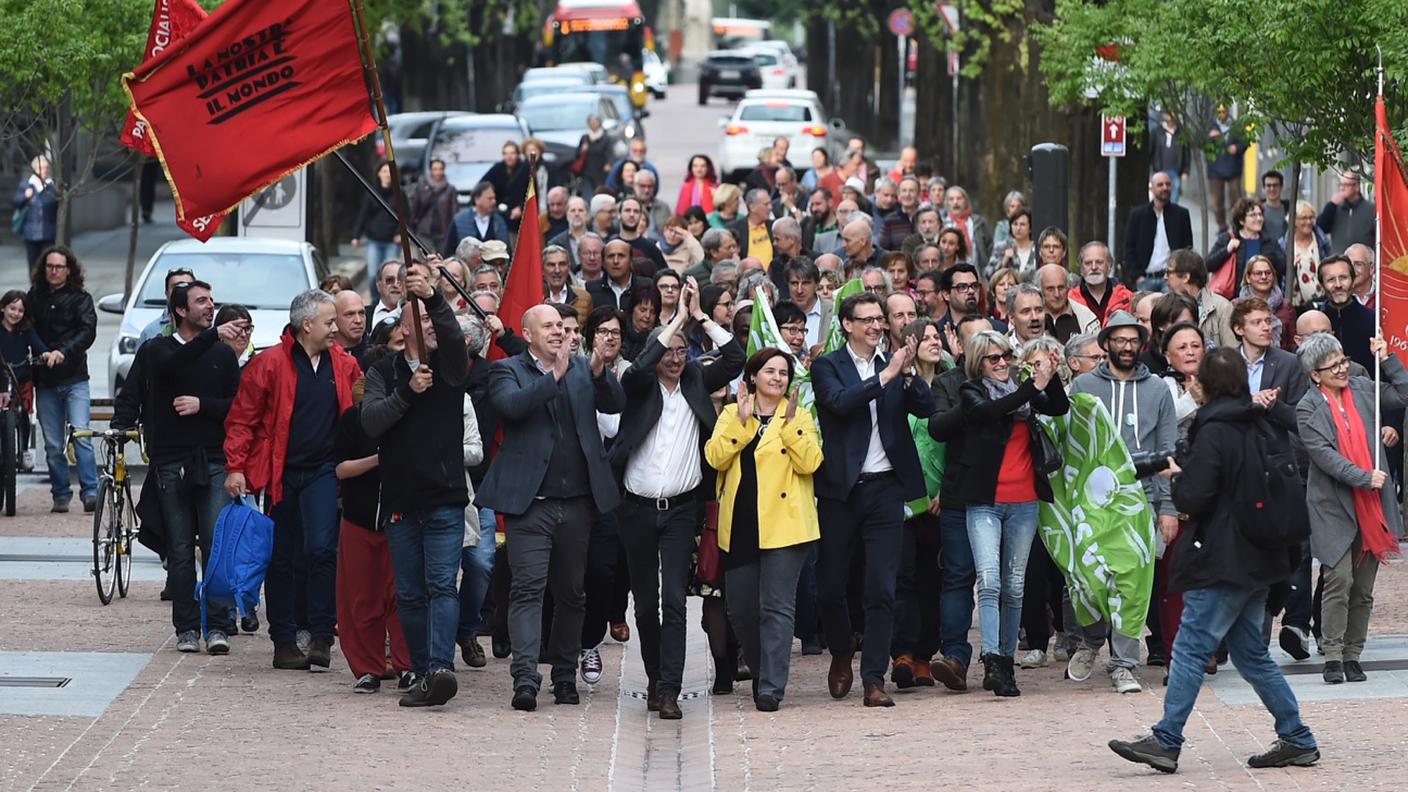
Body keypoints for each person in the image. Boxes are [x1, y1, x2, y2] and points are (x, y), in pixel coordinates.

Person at [1110, 347, 1318, 775]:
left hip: (1225, 559)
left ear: (1203, 384)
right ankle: (1297, 737)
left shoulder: (1215, 430)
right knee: (1251, 655)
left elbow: (1193, 498)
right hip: (1259, 557)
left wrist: (1176, 476)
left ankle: (1167, 740)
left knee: (1187, 648)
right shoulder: (1258, 422)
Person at [477, 304, 625, 712]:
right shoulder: (506, 370)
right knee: (527, 590)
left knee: (572, 594)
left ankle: (563, 674)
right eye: (549, 326)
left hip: (577, 502)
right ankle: (525, 676)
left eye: (562, 325)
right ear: (528, 334)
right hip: (530, 506)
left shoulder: (581, 367)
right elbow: (512, 407)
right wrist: (556, 374)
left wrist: (598, 370)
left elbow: (614, 404)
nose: (559, 331)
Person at [613, 285, 743, 717]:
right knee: (646, 604)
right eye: (668, 350)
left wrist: (700, 318)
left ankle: (669, 689)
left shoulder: (695, 379)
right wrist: (672, 325)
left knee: (673, 600)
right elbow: (637, 369)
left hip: (681, 511)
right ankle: (654, 679)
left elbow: (736, 359)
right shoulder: (637, 385)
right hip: (636, 508)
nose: (676, 356)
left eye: (683, 349)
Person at [224, 289, 362, 671]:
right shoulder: (269, 363)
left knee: (322, 550)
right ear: (307, 325)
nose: (335, 329)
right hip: (280, 472)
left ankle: (321, 635)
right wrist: (236, 467)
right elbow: (242, 419)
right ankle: (283, 640)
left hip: (323, 470)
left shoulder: (344, 365)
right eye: (329, 322)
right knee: (281, 557)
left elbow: (360, 414)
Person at [811, 292, 936, 708]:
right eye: (867, 320)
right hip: (841, 490)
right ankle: (843, 648)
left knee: (881, 588)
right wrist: (887, 376)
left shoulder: (893, 364)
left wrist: (910, 373)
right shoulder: (829, 365)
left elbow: (927, 406)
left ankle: (873, 678)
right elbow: (840, 403)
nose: (876, 327)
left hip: (886, 489)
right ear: (847, 324)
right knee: (829, 588)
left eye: (880, 320)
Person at [360, 264, 469, 706]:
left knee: (443, 584)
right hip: (402, 501)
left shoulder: (449, 364)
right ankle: (421, 671)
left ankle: (441, 667)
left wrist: (436, 298)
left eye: (431, 318)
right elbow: (371, 422)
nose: (429, 323)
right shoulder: (383, 373)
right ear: (403, 329)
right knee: (409, 592)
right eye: (420, 318)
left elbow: (458, 340)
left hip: (443, 498)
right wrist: (408, 392)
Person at [705, 348, 821, 711]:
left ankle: (771, 685)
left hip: (786, 526)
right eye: (769, 371)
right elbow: (714, 457)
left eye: (784, 373)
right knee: (740, 609)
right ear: (753, 376)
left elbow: (811, 462)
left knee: (777, 607)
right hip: (740, 524)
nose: (777, 378)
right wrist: (741, 424)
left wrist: (787, 427)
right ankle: (759, 669)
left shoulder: (799, 414)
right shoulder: (730, 413)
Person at [1069, 311, 1179, 693]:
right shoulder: (1082, 386)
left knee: (1133, 587)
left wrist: (1166, 509)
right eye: (1120, 340)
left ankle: (1123, 664)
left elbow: (1167, 453)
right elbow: (1071, 446)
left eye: (1134, 341)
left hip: (1141, 501)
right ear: (1106, 343)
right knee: (1086, 581)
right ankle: (1092, 638)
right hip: (1091, 503)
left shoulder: (1159, 390)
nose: (1128, 347)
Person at [954, 329, 1068, 696]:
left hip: (1024, 500)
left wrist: (1050, 376)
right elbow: (988, 412)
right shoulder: (972, 391)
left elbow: (1058, 406)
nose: (1002, 363)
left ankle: (1005, 661)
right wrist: (1031, 387)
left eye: (1006, 356)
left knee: (1015, 584)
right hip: (985, 500)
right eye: (993, 358)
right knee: (989, 580)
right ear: (978, 363)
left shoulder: (1025, 392)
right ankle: (993, 658)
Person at [1296, 332, 1406, 684]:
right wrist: (1362, 476)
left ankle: (1353, 654)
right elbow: (1325, 456)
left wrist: (1388, 360)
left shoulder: (1362, 387)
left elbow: (1403, 394)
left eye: (1343, 361)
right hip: (1333, 504)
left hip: (1373, 503)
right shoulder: (1307, 407)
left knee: (1363, 587)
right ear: (1316, 374)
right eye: (1333, 366)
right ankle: (1331, 654)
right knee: (1338, 579)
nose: (1343, 369)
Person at [146, 281, 242, 654]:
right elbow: (170, 368)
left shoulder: (223, 355)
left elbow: (237, 406)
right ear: (180, 311)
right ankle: (186, 627)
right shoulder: (159, 349)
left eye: (212, 300)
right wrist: (212, 336)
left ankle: (217, 624)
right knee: (181, 548)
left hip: (215, 460)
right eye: (201, 301)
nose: (210, 306)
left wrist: (204, 405)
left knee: (215, 546)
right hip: (172, 462)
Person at [333, 346, 414, 694]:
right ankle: (367, 668)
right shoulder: (353, 419)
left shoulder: (410, 413)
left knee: (402, 596)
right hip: (360, 518)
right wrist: (378, 460)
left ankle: (407, 665)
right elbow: (340, 468)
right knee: (361, 598)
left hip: (401, 516)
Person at [888, 318, 948, 689]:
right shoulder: (894, 381)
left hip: (941, 496)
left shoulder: (952, 382)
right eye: (925, 337)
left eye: (937, 336)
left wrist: (949, 488)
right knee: (902, 577)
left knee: (935, 579)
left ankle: (927, 654)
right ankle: (903, 654)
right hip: (901, 496)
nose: (933, 342)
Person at [29, 246, 98, 513]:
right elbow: (26, 329)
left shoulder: (81, 298)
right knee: (53, 443)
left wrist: (63, 351)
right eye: (49, 266)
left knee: (81, 435)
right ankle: (60, 493)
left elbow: (87, 332)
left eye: (59, 266)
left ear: (69, 269)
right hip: (45, 381)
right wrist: (44, 352)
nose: (54, 271)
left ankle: (90, 491)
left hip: (75, 378)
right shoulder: (34, 298)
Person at [1123, 171, 1193, 289]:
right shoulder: (1138, 215)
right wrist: (1136, 276)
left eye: (1168, 184)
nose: (1165, 188)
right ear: (1151, 188)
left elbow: (1187, 248)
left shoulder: (1181, 214)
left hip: (1170, 280)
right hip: (1144, 279)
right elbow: (1129, 247)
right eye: (1160, 185)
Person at [0, 290, 46, 469]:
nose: (15, 314)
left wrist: (47, 353)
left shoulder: (25, 330)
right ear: (3, 307)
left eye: (20, 310)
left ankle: (24, 449)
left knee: (24, 413)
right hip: (1, 378)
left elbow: (38, 345)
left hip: (22, 377)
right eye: (12, 308)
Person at [1206, 197, 1286, 288]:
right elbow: (1208, 265)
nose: (1259, 218)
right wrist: (1227, 250)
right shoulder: (1227, 239)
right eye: (1253, 215)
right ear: (1241, 220)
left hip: (1263, 298)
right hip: (1234, 298)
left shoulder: (1269, 242)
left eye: (1260, 214)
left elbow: (1283, 268)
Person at [350, 162, 402, 301]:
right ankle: (375, 300)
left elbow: (406, 216)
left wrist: (400, 233)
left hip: (392, 241)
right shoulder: (371, 192)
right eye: (384, 171)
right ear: (379, 174)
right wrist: (356, 235)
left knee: (391, 275)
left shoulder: (399, 193)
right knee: (373, 274)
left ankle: (390, 300)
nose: (387, 175)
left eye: (390, 172)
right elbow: (363, 215)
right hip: (374, 240)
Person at [1166, 250, 1236, 349]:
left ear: (1186, 277)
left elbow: (1232, 353)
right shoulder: (1165, 306)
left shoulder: (1222, 307)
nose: (1165, 277)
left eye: (1169, 272)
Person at [1317, 255, 1374, 370]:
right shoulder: (1316, 322)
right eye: (1331, 280)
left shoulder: (1373, 320)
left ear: (1353, 281)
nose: (1338, 285)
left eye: (1343, 278)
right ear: (1322, 286)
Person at [1236, 256, 1295, 351]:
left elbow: (1292, 343)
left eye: (1268, 273)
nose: (1264, 277)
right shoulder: (1236, 305)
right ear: (1248, 277)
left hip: (1280, 362)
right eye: (1258, 273)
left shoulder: (1286, 306)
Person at [1069, 242, 1133, 325]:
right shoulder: (1070, 300)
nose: (1094, 267)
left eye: (1099, 262)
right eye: (1088, 263)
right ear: (1081, 268)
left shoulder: (1126, 298)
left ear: (1109, 265)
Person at [1205, 105, 1247, 233]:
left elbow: (1245, 142)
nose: (1221, 114)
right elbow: (1200, 143)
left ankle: (1236, 224)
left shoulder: (1236, 126)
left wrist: (1237, 148)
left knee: (1236, 197)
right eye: (1219, 112)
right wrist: (1209, 137)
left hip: (1233, 167)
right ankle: (1221, 226)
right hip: (1215, 168)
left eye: (1224, 111)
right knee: (1217, 200)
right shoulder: (1210, 125)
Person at [12, 155, 58, 268]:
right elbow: (15, 201)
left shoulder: (52, 186)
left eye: (47, 167)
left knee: (47, 265)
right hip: (31, 233)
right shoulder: (27, 184)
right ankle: (35, 285)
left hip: (48, 233)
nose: (45, 170)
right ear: (35, 169)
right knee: (33, 265)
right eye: (42, 168)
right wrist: (25, 196)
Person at [444, 181, 511, 258]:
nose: (494, 201)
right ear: (477, 199)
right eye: (490, 198)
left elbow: (507, 250)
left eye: (494, 198)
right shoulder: (459, 220)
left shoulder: (499, 221)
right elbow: (449, 251)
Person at [1285, 200, 1331, 310]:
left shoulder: (1322, 240)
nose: (1309, 221)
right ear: (1294, 220)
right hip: (1295, 304)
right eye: (1304, 218)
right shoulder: (1285, 243)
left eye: (1311, 217)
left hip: (1320, 301)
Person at [1316, 171, 1375, 254]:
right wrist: (1331, 205)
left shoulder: (1370, 209)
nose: (1342, 188)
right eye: (1340, 185)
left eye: (1346, 185)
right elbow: (1320, 228)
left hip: (1361, 261)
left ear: (1357, 187)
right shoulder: (1335, 208)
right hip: (1339, 261)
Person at [1039, 264, 1099, 343]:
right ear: (1041, 290)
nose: (1057, 294)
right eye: (1050, 289)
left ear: (1068, 288)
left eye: (1061, 288)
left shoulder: (1087, 318)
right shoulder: (1031, 317)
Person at [137, 267, 196, 347]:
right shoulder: (150, 332)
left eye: (188, 287)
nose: (182, 292)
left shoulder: (208, 328)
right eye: (177, 287)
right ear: (167, 294)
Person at [410, 158, 458, 244]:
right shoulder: (422, 187)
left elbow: (454, 212)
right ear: (430, 171)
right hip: (424, 230)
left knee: (442, 256)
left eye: (440, 169)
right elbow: (415, 209)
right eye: (435, 169)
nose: (438, 172)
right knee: (426, 256)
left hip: (443, 232)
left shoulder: (450, 189)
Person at [943, 186, 991, 266]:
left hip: (977, 271)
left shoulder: (978, 222)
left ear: (965, 201)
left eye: (959, 198)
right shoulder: (944, 224)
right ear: (947, 203)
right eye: (951, 199)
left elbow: (989, 246)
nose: (955, 202)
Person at [1151, 110, 1189, 205]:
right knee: (1159, 194)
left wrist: (1186, 170)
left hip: (1175, 170)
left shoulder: (1181, 133)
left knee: (1175, 191)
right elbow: (1151, 150)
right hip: (1160, 169)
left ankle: (1170, 213)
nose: (1171, 117)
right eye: (1168, 114)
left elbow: (1186, 153)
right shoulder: (1157, 131)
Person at [986, 208, 1036, 280]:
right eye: (1015, 224)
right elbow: (988, 274)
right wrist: (1003, 262)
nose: (1018, 228)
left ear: (1030, 227)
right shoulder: (1001, 247)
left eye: (1022, 224)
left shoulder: (1037, 248)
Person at [333, 290, 368, 364]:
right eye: (350, 314)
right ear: (334, 318)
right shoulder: (323, 357)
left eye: (361, 313)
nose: (358, 321)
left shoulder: (377, 354)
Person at [1260, 170, 1290, 243]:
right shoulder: (1257, 211)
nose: (1272, 189)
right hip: (1264, 251)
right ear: (1263, 189)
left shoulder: (1290, 209)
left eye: (1275, 185)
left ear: (1282, 187)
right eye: (1268, 185)